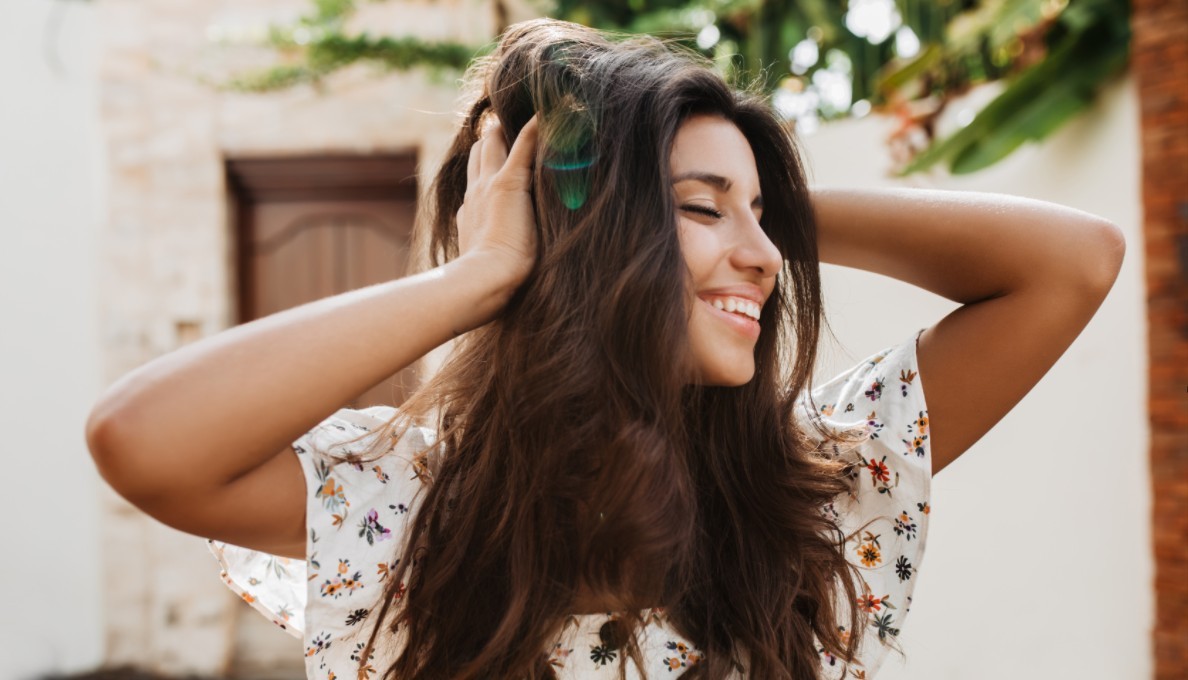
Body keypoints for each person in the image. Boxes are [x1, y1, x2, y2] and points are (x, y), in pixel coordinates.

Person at [84, 17, 1125, 680]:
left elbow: (1072, 261)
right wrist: (477, 278)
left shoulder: (811, 479)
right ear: (588, 233)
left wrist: (766, 209)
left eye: (767, 215)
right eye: (702, 209)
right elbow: (141, 438)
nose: (765, 256)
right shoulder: (414, 504)